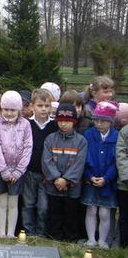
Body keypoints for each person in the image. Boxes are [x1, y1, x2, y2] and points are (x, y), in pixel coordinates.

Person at [42, 103, 88, 241]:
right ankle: (54, 235)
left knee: (71, 213)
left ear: (74, 122)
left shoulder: (81, 141)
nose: (63, 124)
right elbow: (46, 160)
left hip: (72, 187)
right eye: (60, 121)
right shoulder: (50, 139)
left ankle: (70, 237)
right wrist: (56, 178)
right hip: (53, 185)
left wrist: (66, 179)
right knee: (54, 212)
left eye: (67, 121)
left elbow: (79, 163)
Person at [0, 91, 32, 238]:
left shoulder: (26, 124)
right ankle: (1, 232)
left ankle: (10, 233)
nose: (9, 113)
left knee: (13, 202)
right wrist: (4, 171)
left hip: (18, 171)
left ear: (19, 109)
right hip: (1, 171)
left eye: (13, 110)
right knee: (1, 202)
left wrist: (18, 171)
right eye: (6, 109)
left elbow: (28, 148)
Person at [81, 102, 119, 249]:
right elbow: (84, 158)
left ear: (110, 121)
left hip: (107, 182)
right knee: (91, 209)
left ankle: (102, 240)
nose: (99, 123)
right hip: (91, 179)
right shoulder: (88, 135)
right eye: (96, 120)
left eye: (103, 120)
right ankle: (91, 239)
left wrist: (106, 178)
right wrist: (90, 176)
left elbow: (116, 162)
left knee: (104, 212)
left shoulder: (116, 136)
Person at [21, 89, 57, 237]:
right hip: (29, 171)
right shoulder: (26, 124)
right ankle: (28, 231)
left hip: (46, 174)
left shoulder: (54, 126)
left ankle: (41, 232)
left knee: (43, 206)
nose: (43, 109)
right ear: (32, 106)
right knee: (28, 204)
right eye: (40, 105)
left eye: (47, 106)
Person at [116, 119, 128, 248]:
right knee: (124, 216)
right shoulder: (125, 131)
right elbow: (121, 153)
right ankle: (123, 243)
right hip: (125, 184)